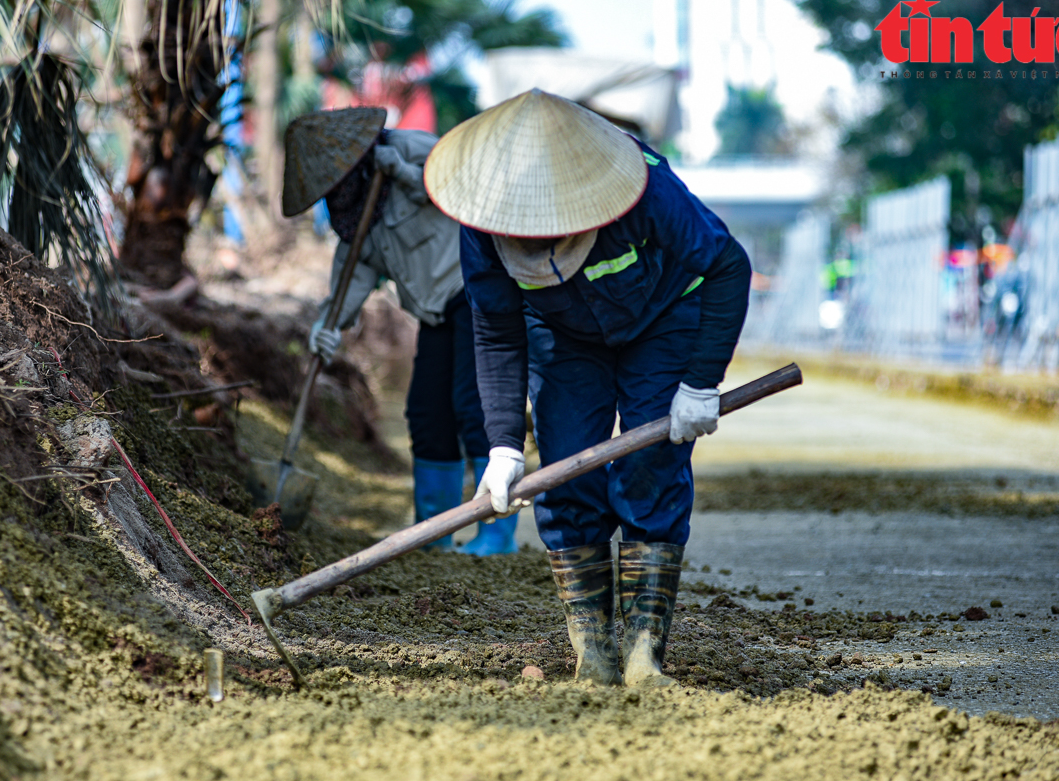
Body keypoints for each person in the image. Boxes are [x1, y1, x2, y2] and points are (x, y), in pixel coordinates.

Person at [422, 89, 752, 687]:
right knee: (567, 472)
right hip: (562, 333)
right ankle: (593, 652)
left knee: (651, 463)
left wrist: (701, 382)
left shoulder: (644, 190)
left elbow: (728, 265)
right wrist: (502, 445)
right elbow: (496, 330)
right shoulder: (480, 222)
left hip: (664, 316)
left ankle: (644, 653)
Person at [282, 107, 517, 555]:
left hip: (476, 291)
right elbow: (346, 289)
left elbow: (464, 187)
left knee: (474, 406)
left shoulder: (409, 147)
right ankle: (434, 534)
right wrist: (325, 328)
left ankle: (496, 532)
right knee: (427, 415)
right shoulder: (352, 222)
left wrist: (407, 175)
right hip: (433, 314)